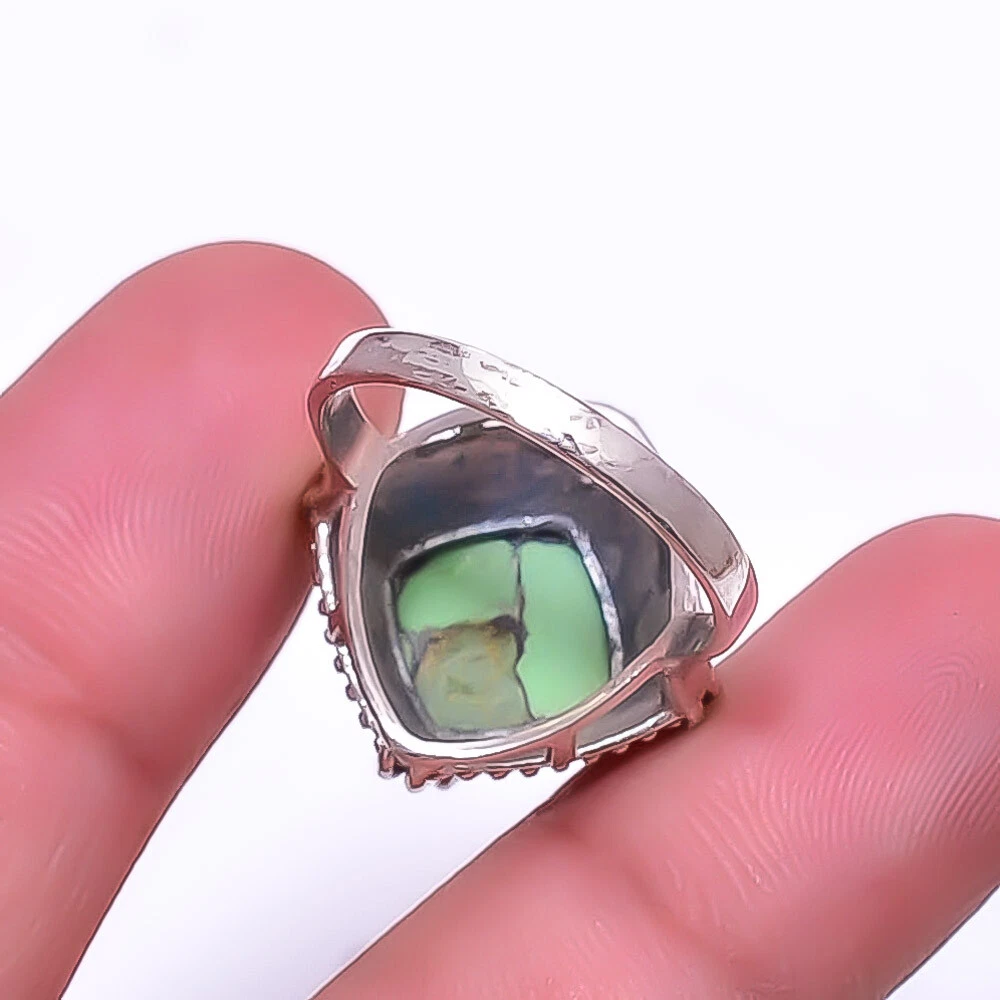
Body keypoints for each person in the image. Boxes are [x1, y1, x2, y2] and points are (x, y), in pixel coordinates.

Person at [1, 242, 997, 999]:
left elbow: (704, 630)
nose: (478, 642)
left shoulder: (638, 611)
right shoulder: (391, 521)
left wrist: (672, 678)